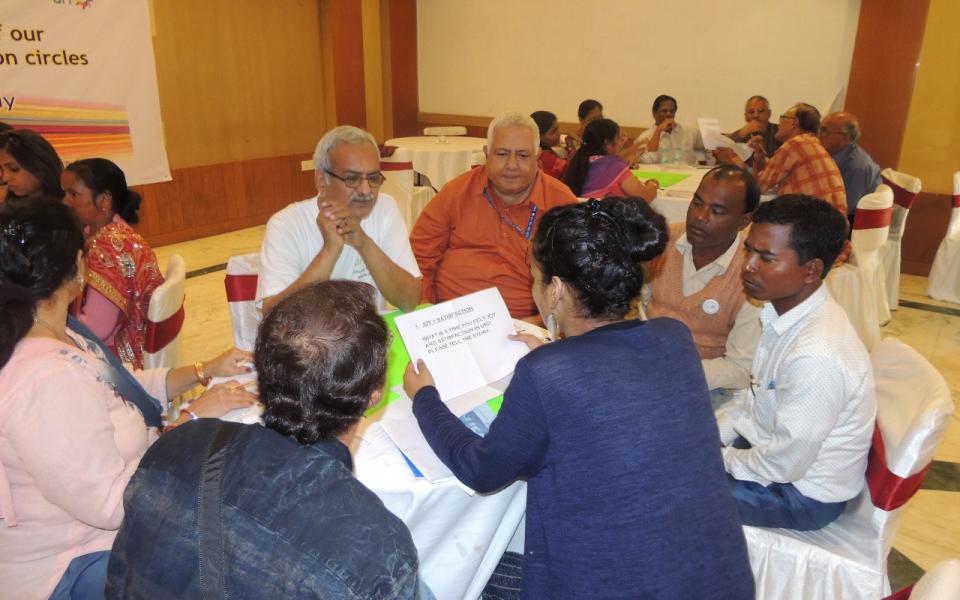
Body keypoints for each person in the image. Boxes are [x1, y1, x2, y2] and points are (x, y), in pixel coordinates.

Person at [405, 198, 755, 598]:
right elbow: (611, 384)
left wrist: (426, 399)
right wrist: (552, 351)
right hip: (716, 578)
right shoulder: (673, 339)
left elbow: (483, 470)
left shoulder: (547, 374)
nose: (533, 287)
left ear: (555, 291)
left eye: (534, 277)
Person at [0, 198, 256, 599]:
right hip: (76, 566)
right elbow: (110, 506)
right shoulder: (47, 379)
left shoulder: (51, 331)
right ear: (78, 267)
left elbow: (119, 386)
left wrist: (206, 369)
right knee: (244, 553)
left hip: (102, 536)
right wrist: (191, 419)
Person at [108, 281, 427, 599]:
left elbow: (119, 583)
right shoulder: (379, 548)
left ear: (261, 372)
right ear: (374, 395)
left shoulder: (173, 447)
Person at [717, 195, 875, 530]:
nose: (747, 265)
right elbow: (754, 398)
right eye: (749, 250)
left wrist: (717, 458)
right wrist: (709, 436)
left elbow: (785, 464)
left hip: (799, 494)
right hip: (773, 455)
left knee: (667, 487)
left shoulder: (816, 354)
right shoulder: (785, 313)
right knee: (668, 451)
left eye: (766, 257)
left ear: (812, 270)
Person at [410, 111, 577, 320]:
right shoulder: (455, 193)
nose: (512, 165)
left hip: (524, 327)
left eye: (523, 155)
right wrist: (427, 315)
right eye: (502, 154)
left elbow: (576, 282)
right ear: (487, 153)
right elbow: (419, 260)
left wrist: (540, 323)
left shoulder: (560, 202)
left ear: (538, 157)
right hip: (451, 322)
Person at [257, 125, 421, 315]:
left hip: (370, 338)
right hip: (309, 341)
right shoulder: (286, 224)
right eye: (352, 178)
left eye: (373, 178)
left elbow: (410, 301)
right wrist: (329, 251)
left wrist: (364, 244)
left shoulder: (385, 208)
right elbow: (275, 318)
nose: (366, 190)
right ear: (321, 181)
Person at [644, 165, 761, 404]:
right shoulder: (663, 241)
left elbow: (740, 369)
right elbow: (638, 306)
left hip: (707, 388)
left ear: (744, 220)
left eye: (717, 211)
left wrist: (672, 371)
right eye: (697, 202)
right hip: (645, 369)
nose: (700, 216)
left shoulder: (752, 275)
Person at [63, 158, 163, 369]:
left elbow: (97, 329)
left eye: (74, 194)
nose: (65, 201)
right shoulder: (113, 230)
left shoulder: (105, 249)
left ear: (104, 200)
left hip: (116, 359)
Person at [716, 102, 847, 214]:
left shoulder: (795, 144)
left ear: (794, 123)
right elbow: (774, 175)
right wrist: (761, 158)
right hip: (829, 220)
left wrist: (731, 158)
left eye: (783, 118)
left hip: (815, 222)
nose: (779, 123)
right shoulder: (809, 142)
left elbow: (758, 186)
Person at [562, 118, 657, 200]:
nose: (621, 141)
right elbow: (645, 196)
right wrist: (652, 184)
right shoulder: (614, 166)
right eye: (618, 137)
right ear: (607, 143)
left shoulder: (580, 160)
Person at [819, 111, 882, 220]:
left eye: (824, 131)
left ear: (845, 138)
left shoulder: (856, 167)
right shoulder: (836, 156)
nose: (818, 136)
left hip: (852, 224)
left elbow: (841, 210)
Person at [635, 94, 702, 164]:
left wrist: (708, 163)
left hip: (690, 173)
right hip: (660, 174)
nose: (668, 114)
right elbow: (645, 161)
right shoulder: (645, 137)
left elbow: (708, 148)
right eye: (664, 111)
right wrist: (658, 130)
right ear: (654, 114)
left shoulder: (690, 131)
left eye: (672, 111)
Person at [0, 129, 63, 202]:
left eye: (14, 169)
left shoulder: (68, 207)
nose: (4, 178)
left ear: (40, 164)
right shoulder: (7, 205)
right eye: (1, 169)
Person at [530, 110, 568, 180]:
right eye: (553, 131)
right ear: (538, 136)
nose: (559, 133)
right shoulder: (545, 157)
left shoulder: (530, 151)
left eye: (558, 128)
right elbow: (569, 170)